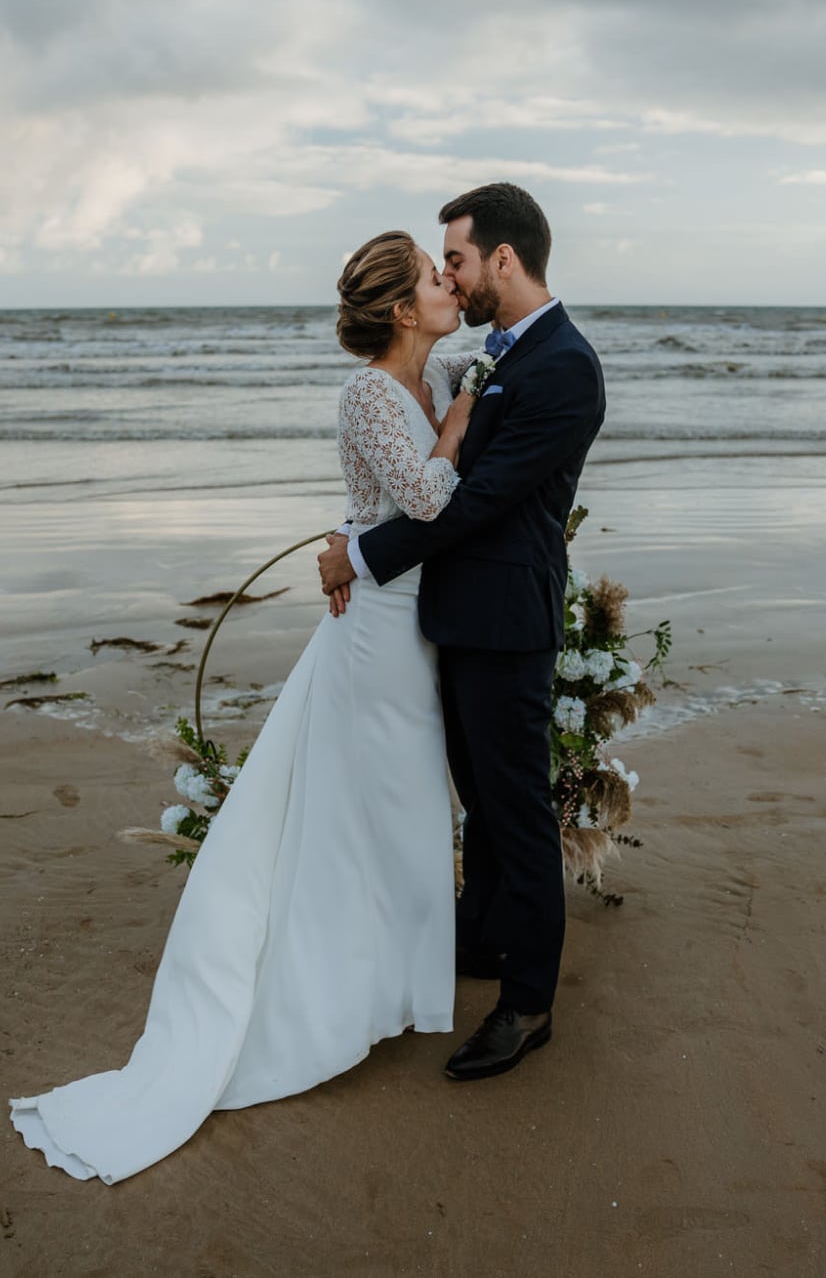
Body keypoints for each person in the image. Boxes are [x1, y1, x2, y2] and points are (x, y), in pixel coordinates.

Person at [8, 230, 479, 1184]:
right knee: (369, 814)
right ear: (400, 308)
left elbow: (426, 459)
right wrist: (464, 412)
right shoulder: (372, 393)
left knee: (401, 810)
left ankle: (385, 983)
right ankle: (329, 999)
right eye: (435, 278)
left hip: (408, 621)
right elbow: (427, 499)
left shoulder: (439, 370)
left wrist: (466, 385)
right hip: (376, 635)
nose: (449, 285)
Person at [319, 182, 607, 1082]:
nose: (452, 274)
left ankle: (527, 1004)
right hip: (455, 617)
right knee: (482, 798)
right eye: (442, 264)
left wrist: (361, 557)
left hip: (505, 623)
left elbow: (475, 501)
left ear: (504, 261)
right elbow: (411, 458)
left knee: (515, 811)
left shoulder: (563, 365)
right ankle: (483, 940)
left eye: (458, 259)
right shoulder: (492, 353)